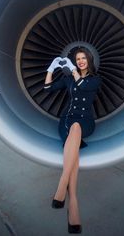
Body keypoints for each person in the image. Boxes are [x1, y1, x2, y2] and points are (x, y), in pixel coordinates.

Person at [44, 47, 101, 234]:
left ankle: (62, 184)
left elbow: (83, 86)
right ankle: (73, 204)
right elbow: (47, 89)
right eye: (77, 59)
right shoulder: (68, 79)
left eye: (84, 58)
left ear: (89, 60)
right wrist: (51, 69)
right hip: (67, 120)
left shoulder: (94, 79)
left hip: (85, 122)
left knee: (76, 129)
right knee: (73, 147)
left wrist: (74, 71)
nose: (81, 61)